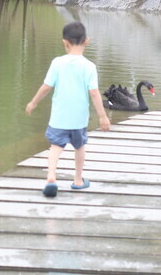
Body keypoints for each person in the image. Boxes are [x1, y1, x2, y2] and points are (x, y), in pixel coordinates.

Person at [25, 21, 110, 197]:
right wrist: (102, 116)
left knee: (56, 146)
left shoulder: (57, 63)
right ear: (86, 41)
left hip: (59, 118)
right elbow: (94, 93)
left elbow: (46, 87)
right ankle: (78, 180)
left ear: (65, 42)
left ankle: (51, 177)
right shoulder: (89, 66)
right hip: (79, 119)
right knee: (80, 147)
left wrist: (33, 102)